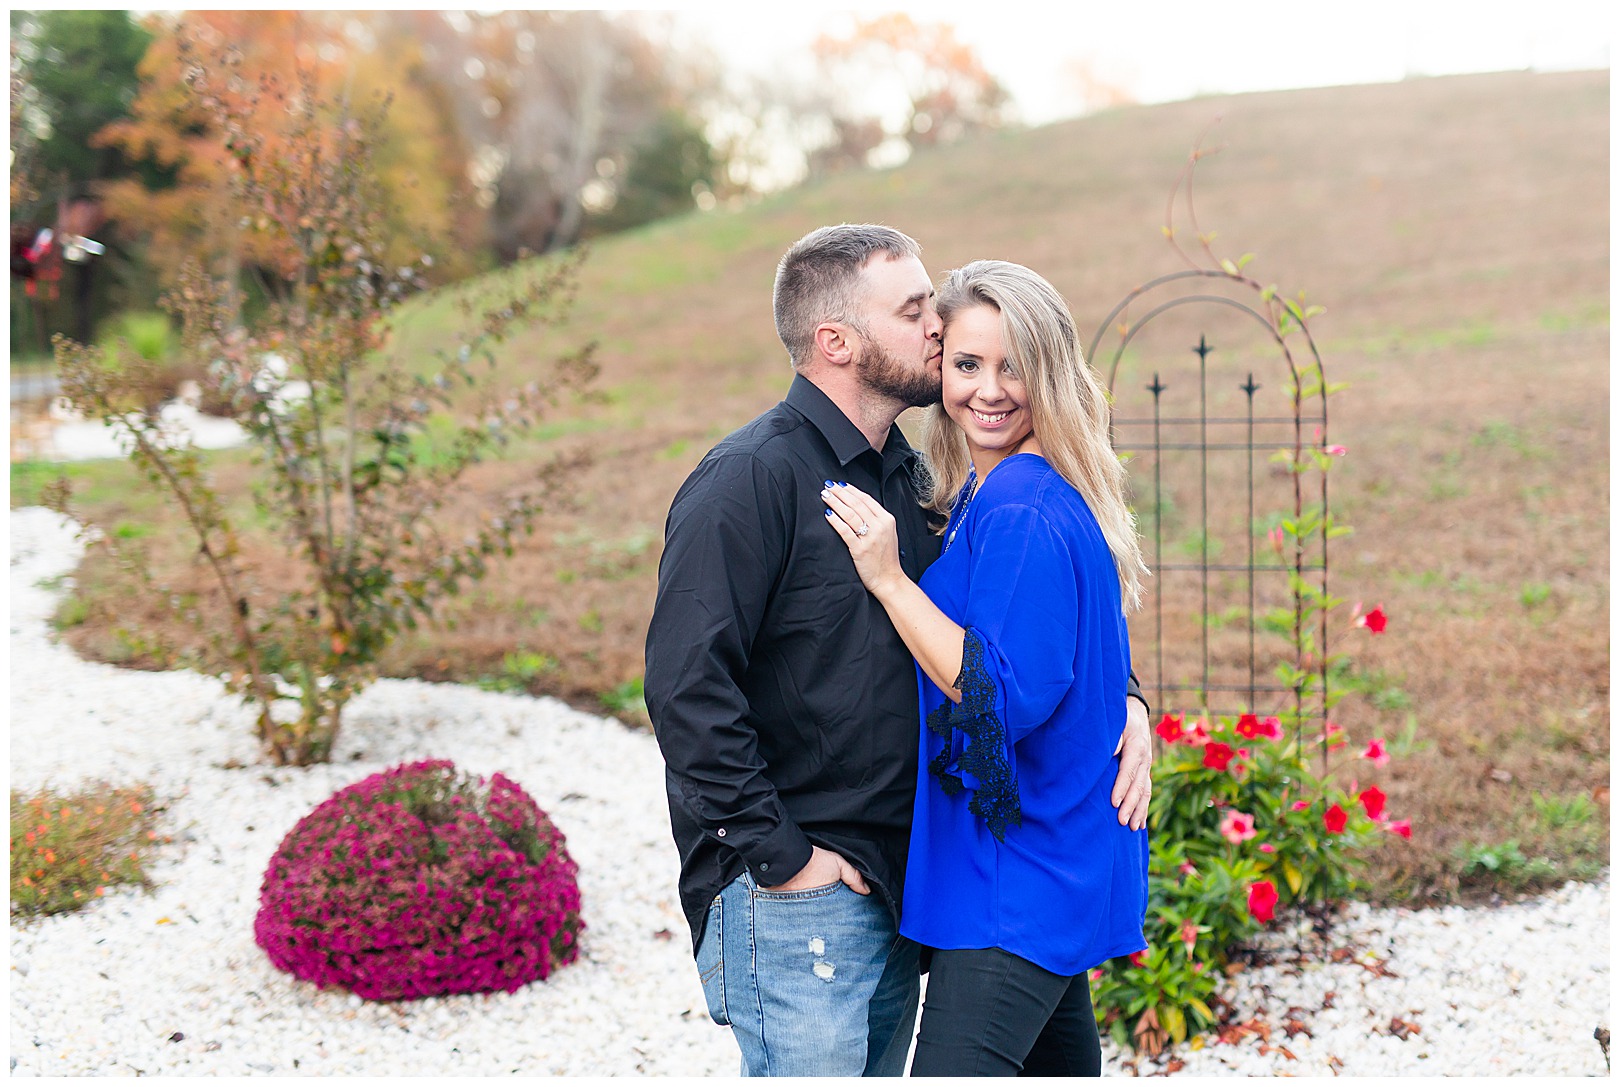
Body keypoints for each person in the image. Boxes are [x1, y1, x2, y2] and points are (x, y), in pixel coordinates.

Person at [644, 226, 1152, 1078]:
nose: (936, 329)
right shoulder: (749, 480)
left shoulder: (913, 482)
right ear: (837, 341)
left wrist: (1126, 701)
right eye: (915, 310)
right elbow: (686, 691)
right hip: (803, 888)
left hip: (899, 883)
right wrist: (784, 857)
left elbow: (1024, 624)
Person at [821, 259, 1150, 1077]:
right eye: (968, 365)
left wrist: (890, 580)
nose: (989, 390)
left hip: (1017, 876)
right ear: (941, 369)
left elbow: (995, 696)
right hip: (1034, 860)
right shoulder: (993, 491)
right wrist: (1133, 704)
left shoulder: (1024, 505)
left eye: (1015, 367)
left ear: (1051, 376)